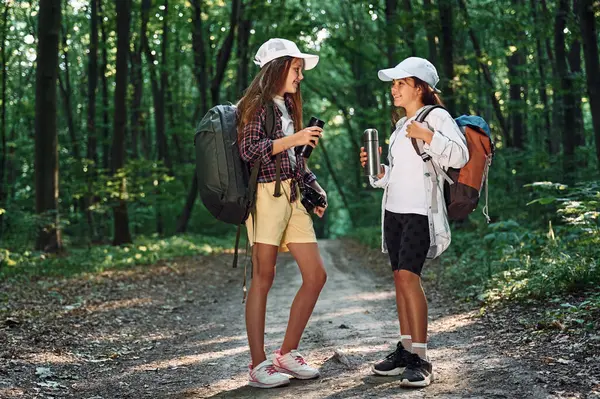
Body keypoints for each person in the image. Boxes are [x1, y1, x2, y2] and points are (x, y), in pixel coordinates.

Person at [359, 57, 469, 387]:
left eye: (400, 83)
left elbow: (460, 155)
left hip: (421, 211)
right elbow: (396, 174)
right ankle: (405, 350)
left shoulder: (437, 117)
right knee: (398, 279)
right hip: (393, 211)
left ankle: (421, 358)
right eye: (393, 84)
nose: (393, 89)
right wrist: (378, 172)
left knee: (409, 278)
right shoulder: (397, 128)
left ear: (419, 87)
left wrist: (428, 135)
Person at [237, 38, 328, 389]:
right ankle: (258, 364)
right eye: (296, 69)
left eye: (300, 70)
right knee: (264, 277)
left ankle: (286, 354)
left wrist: (314, 188)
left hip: (291, 196)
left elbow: (294, 161)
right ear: (277, 67)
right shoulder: (256, 104)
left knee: (316, 275)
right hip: (264, 197)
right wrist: (294, 139)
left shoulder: (287, 106)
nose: (300, 77)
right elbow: (250, 150)